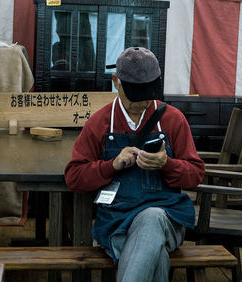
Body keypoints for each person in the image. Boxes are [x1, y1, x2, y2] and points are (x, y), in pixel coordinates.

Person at [64, 47, 205, 282]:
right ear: (116, 81)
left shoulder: (173, 120)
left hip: (167, 217)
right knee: (155, 256)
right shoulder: (99, 122)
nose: (140, 103)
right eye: (134, 95)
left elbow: (195, 174)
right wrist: (112, 165)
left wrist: (167, 164)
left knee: (151, 218)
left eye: (146, 95)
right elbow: (74, 177)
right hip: (116, 222)